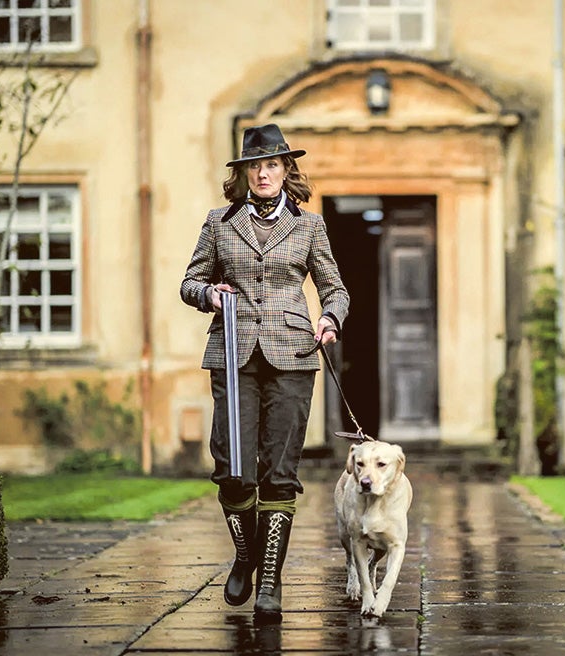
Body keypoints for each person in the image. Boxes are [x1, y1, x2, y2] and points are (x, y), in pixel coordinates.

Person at [180, 123, 349, 622]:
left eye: (272, 164)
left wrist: (329, 318)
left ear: (285, 170)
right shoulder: (218, 222)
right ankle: (246, 555)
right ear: (243, 173)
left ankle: (269, 579)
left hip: (293, 355)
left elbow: (335, 289)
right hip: (232, 355)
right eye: (254, 166)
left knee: (279, 472)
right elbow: (190, 282)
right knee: (233, 469)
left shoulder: (310, 226)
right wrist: (209, 294)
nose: (263, 173)